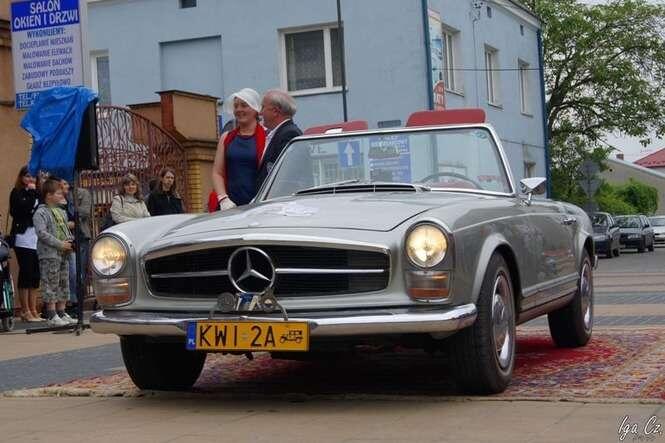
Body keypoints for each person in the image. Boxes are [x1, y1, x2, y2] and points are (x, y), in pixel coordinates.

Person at [212, 88, 266, 211]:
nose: (238, 109)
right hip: (231, 207)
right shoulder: (226, 138)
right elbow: (217, 172)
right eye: (236, 106)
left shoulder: (267, 137)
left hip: (259, 206)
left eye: (244, 105)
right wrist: (223, 199)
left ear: (255, 109)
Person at [32, 179, 76, 326]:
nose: (62, 195)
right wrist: (60, 244)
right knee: (50, 283)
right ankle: (51, 314)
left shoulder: (61, 211)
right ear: (48, 195)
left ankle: (62, 312)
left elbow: (65, 230)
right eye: (58, 193)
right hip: (49, 253)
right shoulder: (41, 212)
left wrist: (70, 241)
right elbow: (41, 233)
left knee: (63, 282)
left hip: (63, 253)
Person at [8, 166, 43, 322]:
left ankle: (34, 309)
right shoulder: (17, 192)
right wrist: (30, 193)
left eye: (33, 177)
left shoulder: (38, 193)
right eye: (28, 176)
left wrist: (35, 193)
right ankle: (25, 310)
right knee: (26, 272)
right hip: (23, 237)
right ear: (22, 177)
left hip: (36, 238)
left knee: (35, 274)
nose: (31, 179)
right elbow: (20, 210)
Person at [257, 89, 303, 187]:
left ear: (275, 111)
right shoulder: (281, 133)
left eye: (263, 107)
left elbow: (287, 176)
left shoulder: (289, 134)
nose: (260, 113)